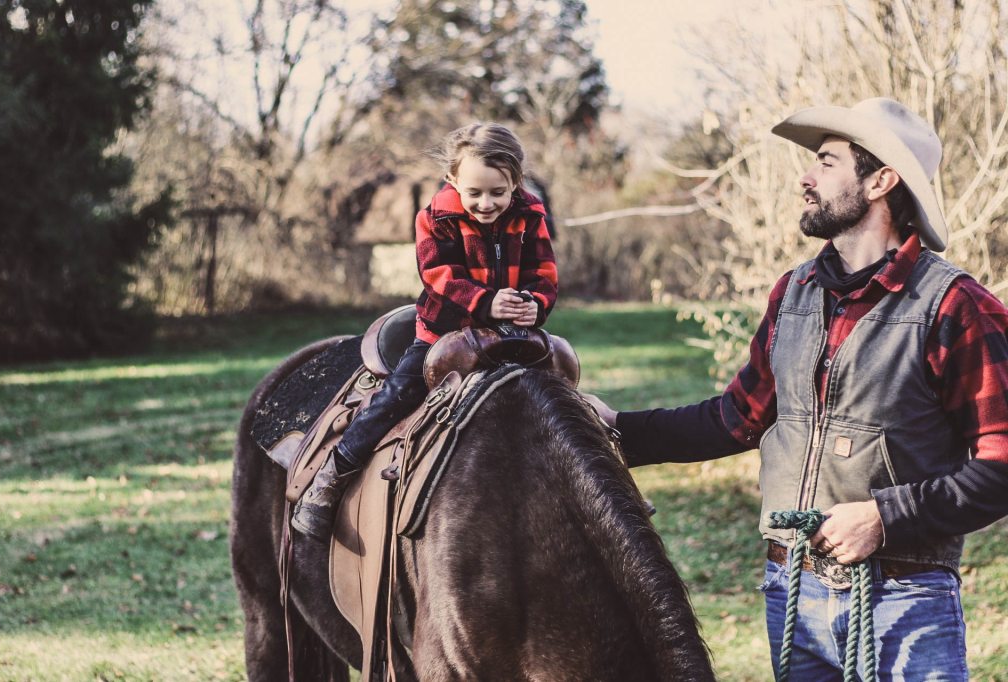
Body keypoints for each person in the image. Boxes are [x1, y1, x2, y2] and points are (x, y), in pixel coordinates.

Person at [586, 97, 1008, 679]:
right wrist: (615, 430)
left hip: (903, 601)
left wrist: (887, 517)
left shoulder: (954, 306)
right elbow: (739, 417)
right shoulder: (795, 293)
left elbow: (1000, 464)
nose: (805, 177)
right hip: (794, 591)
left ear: (882, 180)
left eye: (828, 162)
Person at [292, 122, 558, 542]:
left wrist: (534, 303)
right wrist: (485, 302)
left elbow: (543, 272)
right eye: (475, 193)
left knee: (561, 390)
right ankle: (332, 475)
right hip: (445, 334)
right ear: (454, 180)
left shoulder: (531, 216)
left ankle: (595, 479)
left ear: (515, 184)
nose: (486, 203)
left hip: (508, 336)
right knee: (397, 396)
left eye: (498, 192)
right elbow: (438, 276)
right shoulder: (436, 218)